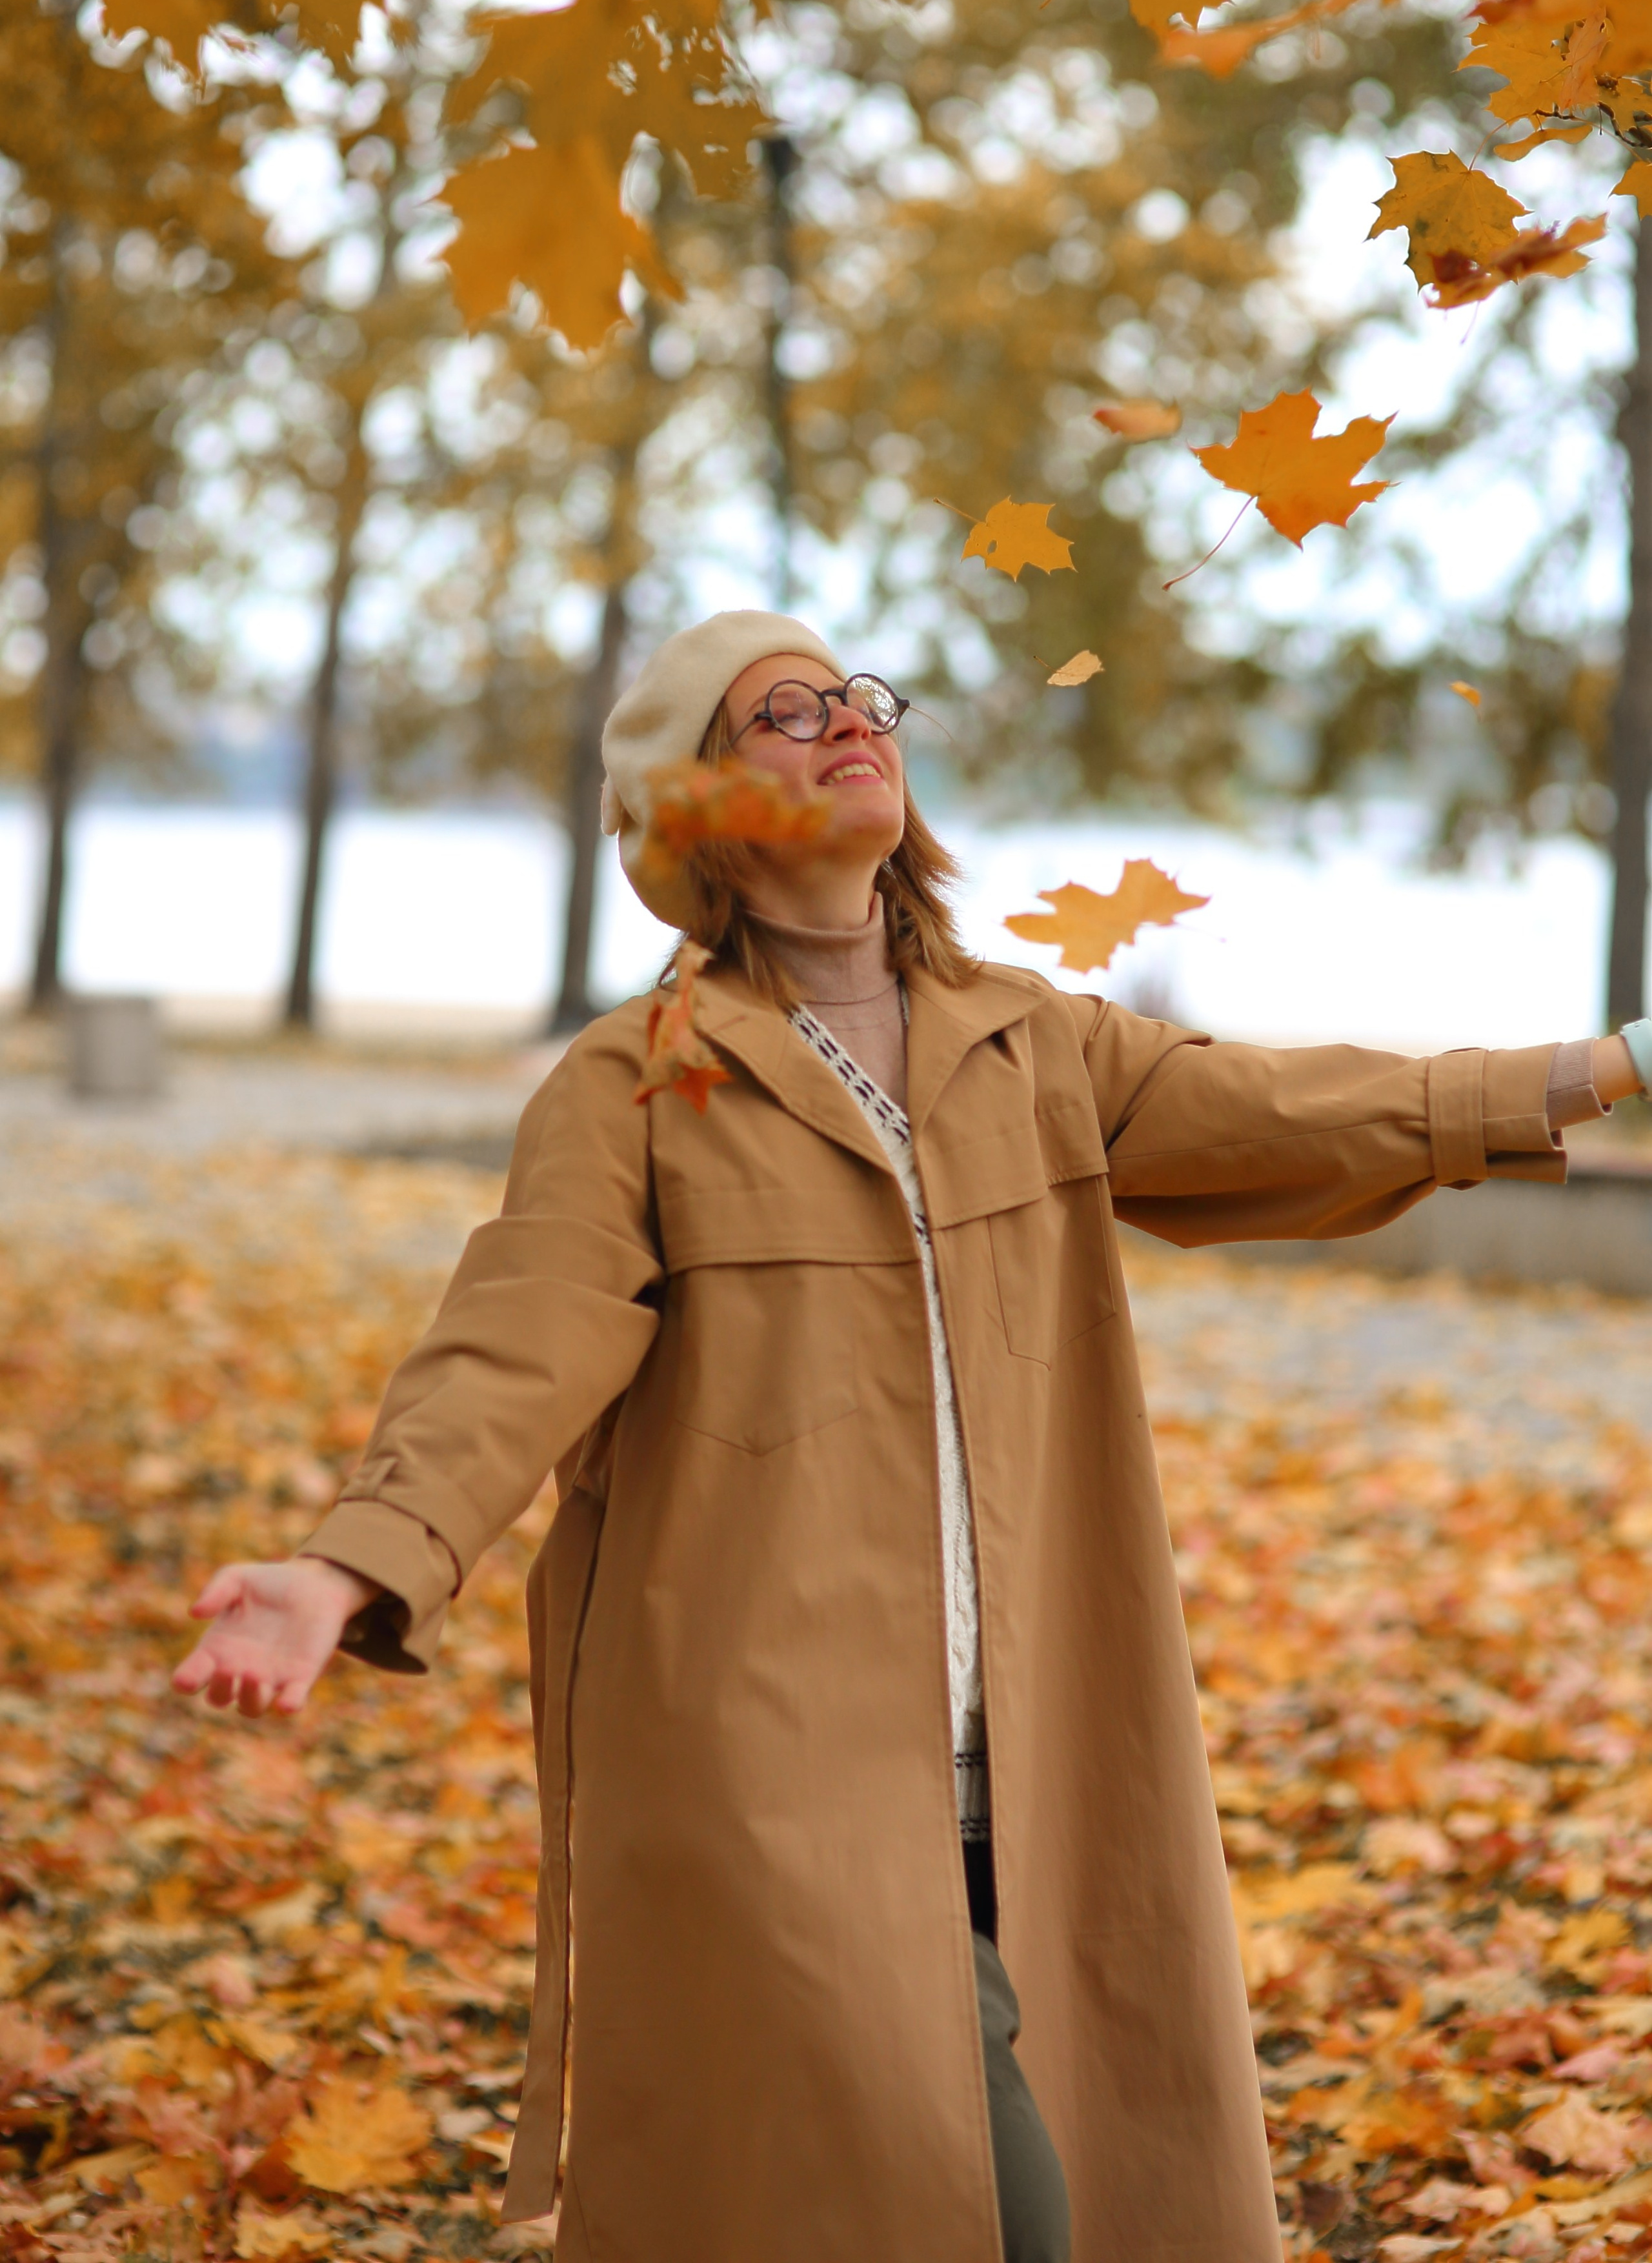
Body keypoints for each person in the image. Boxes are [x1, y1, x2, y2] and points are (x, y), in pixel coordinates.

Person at [174, 610, 1650, 2263]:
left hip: (1039, 1748)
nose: (844, 723)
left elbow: (1297, 1115)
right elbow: (513, 1339)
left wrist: (1608, 1067)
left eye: (858, 698)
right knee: (987, 2215)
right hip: (776, 1765)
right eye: (780, 715)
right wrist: (348, 1563)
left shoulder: (1032, 1042)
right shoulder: (637, 1087)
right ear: (694, 810)